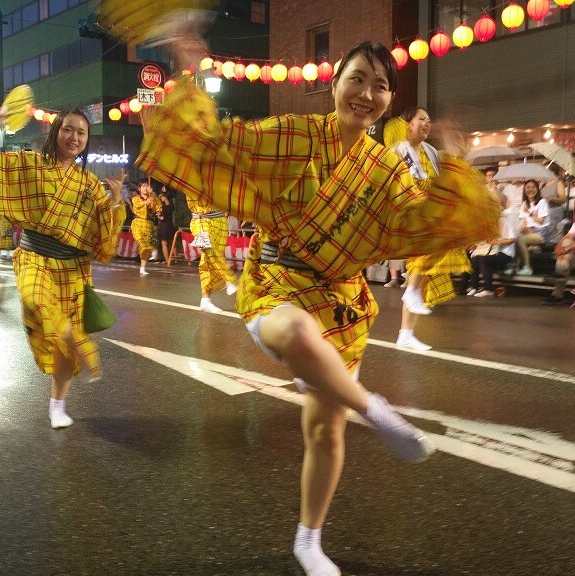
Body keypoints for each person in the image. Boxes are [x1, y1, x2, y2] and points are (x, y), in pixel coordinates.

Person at [139, 36, 499, 576]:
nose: (367, 94)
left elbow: (418, 219)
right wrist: (188, 76)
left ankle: (309, 540)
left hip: (342, 300)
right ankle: (374, 409)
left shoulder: (385, 168)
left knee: (325, 431)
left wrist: (458, 173)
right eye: (357, 79)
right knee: (299, 336)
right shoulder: (293, 133)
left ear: (387, 102)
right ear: (334, 85)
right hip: (277, 283)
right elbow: (220, 144)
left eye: (380, 86)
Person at [0, 108, 125, 428]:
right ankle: (76, 341)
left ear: (87, 140)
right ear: (56, 132)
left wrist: (117, 203)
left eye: (81, 133)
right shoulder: (29, 163)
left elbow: (103, 241)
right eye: (68, 129)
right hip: (34, 257)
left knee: (64, 349)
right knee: (38, 301)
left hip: (72, 269)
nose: (74, 137)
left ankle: (57, 404)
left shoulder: (90, 185)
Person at [392, 106, 470, 351]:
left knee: (422, 275)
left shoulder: (430, 151)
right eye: (421, 119)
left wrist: (452, 141)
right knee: (428, 249)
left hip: (426, 213)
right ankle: (411, 293)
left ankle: (406, 332)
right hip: (405, 213)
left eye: (428, 120)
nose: (426, 124)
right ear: (408, 124)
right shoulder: (397, 150)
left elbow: (447, 173)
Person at [187, 195, 238, 312]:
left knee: (208, 261)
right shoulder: (192, 178)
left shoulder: (218, 179)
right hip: (201, 220)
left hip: (220, 220)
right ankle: (229, 278)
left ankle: (205, 300)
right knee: (208, 247)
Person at [514, 179, 550, 275]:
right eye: (528, 187)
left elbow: (540, 221)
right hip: (529, 232)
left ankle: (527, 267)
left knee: (520, 240)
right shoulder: (524, 204)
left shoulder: (542, 202)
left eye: (533, 187)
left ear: (537, 189)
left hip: (541, 232)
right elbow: (523, 222)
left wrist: (529, 212)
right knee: (515, 237)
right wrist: (524, 230)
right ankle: (514, 266)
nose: (530, 189)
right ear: (524, 190)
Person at [128, 179, 161, 276]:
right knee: (143, 244)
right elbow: (138, 205)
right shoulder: (135, 198)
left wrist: (153, 196)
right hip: (138, 224)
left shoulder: (153, 198)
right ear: (139, 188)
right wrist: (147, 201)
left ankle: (142, 268)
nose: (145, 188)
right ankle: (153, 249)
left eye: (147, 186)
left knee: (145, 249)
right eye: (143, 186)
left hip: (148, 225)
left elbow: (158, 207)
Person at [156, 185, 177, 264]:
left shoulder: (163, 207)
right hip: (170, 224)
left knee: (164, 243)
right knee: (172, 243)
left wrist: (158, 215)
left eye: (162, 196)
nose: (161, 198)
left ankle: (167, 260)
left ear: (165, 197)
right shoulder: (171, 205)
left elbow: (162, 218)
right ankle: (175, 259)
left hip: (163, 226)